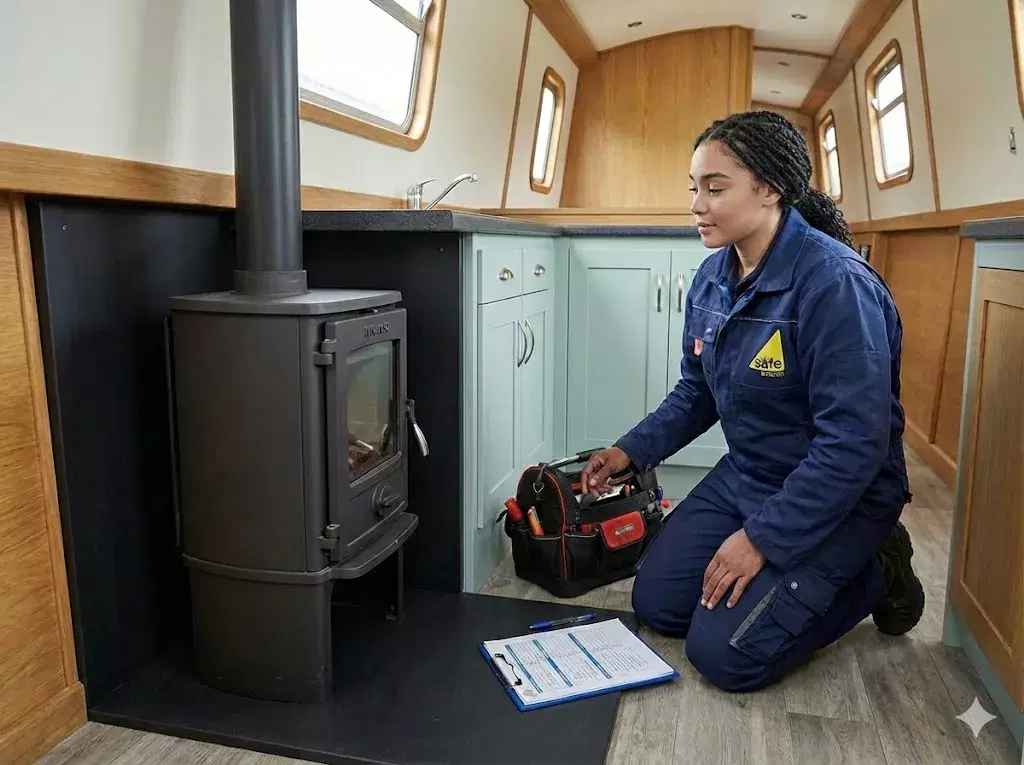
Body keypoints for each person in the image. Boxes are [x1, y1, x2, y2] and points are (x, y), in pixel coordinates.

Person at [579, 110, 924, 693]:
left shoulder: (835, 285)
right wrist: (630, 452)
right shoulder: (714, 276)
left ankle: (877, 568)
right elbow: (698, 391)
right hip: (750, 474)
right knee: (660, 606)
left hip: (842, 495)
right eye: (694, 188)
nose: (697, 204)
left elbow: (854, 444)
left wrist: (763, 539)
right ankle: (797, 569)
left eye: (716, 188)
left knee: (724, 657)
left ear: (769, 189)